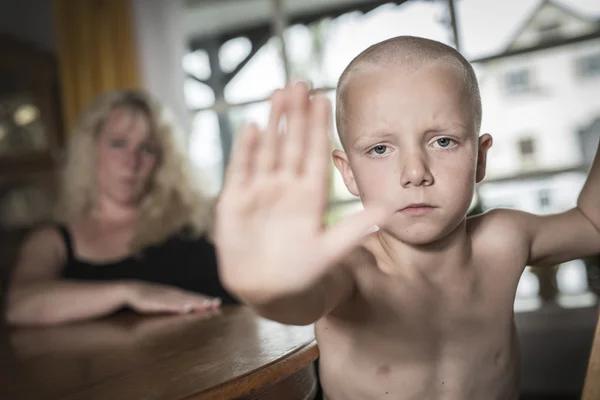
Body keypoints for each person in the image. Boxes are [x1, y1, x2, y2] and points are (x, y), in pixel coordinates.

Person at [214, 36, 600, 400]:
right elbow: (300, 300)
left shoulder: (505, 239)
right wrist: (269, 290)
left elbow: (592, 224)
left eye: (443, 141)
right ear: (348, 172)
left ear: (480, 158)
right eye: (380, 148)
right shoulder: (354, 270)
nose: (414, 172)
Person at [6, 89, 237, 327]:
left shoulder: (200, 217)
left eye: (146, 148)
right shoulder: (51, 240)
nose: (132, 162)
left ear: (161, 160)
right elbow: (19, 306)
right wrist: (129, 292)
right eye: (118, 144)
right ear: (91, 150)